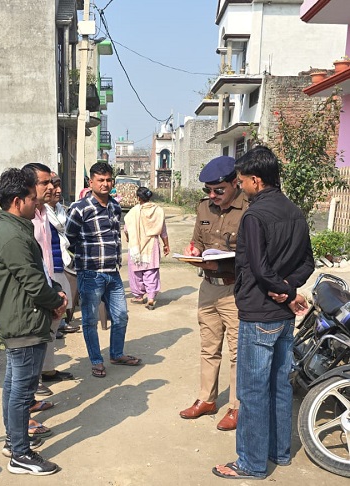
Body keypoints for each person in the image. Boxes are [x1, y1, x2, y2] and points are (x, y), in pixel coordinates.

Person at [213, 146, 314, 480]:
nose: (240, 187)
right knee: (280, 385)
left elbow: (258, 268)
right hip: (283, 316)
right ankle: (278, 452)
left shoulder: (254, 215)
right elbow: (307, 263)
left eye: (242, 181)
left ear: (256, 180)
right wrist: (290, 290)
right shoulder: (294, 211)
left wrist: (280, 289)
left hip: (259, 313)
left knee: (253, 390)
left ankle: (251, 462)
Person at [0, 167, 67, 476]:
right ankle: (20, 454)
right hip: (23, 320)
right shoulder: (11, 235)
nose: (38, 203)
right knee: (22, 391)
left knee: (14, 385)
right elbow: (33, 282)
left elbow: (38, 274)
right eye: (33, 198)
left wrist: (55, 292)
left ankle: (14, 441)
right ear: (18, 201)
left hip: (23, 316)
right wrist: (57, 301)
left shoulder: (16, 228)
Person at [179, 156, 248, 431]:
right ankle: (206, 399)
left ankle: (237, 407)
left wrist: (221, 264)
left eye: (218, 190)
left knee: (238, 351)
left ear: (235, 183)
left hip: (235, 289)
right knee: (209, 347)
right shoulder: (204, 208)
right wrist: (193, 250)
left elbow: (253, 254)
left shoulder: (249, 209)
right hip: (208, 288)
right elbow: (197, 241)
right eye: (208, 190)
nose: (212, 196)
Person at [65, 162, 141, 378]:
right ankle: (96, 361)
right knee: (90, 320)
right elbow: (68, 239)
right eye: (100, 180)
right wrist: (85, 257)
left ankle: (116, 353)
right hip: (90, 273)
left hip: (113, 272)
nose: (105, 184)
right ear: (91, 182)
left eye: (108, 180)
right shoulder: (80, 208)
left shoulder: (115, 206)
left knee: (121, 315)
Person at [22, 163, 74, 387]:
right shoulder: (24, 215)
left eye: (52, 182)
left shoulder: (45, 212)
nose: (51, 187)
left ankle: (47, 371)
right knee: (35, 335)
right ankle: (34, 384)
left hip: (51, 276)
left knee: (51, 326)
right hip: (34, 284)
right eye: (45, 183)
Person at [124, 187, 170, 310]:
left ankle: (138, 296)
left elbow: (126, 229)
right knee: (151, 272)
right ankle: (150, 298)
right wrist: (166, 245)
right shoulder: (159, 210)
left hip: (136, 245)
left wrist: (128, 238)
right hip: (152, 245)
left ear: (138, 198)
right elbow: (163, 230)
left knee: (136, 272)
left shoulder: (133, 211)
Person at [46, 174, 80, 336]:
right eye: (54, 186)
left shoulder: (60, 211)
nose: (58, 190)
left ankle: (57, 325)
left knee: (61, 295)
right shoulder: (39, 213)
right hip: (48, 263)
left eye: (59, 186)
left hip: (59, 260)